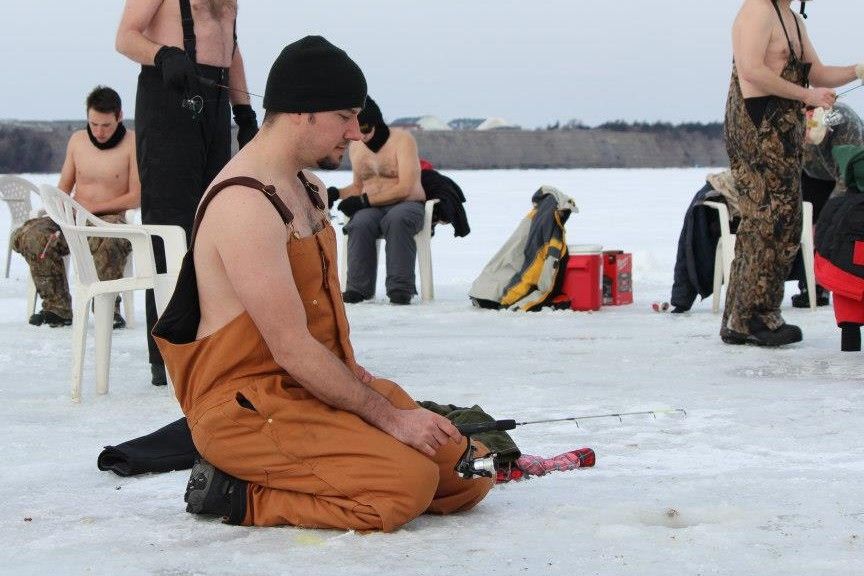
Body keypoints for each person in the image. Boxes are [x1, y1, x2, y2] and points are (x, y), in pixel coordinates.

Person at [151, 36, 494, 530]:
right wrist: (390, 417)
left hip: (315, 384)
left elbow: (320, 328)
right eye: (345, 115)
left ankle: (352, 459)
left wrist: (370, 394)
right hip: (248, 407)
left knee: (470, 469)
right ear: (301, 112)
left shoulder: (307, 187)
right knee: (405, 486)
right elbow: (290, 348)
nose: (356, 132)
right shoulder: (244, 204)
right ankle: (237, 494)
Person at [115, 0, 258, 386]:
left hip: (214, 102)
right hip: (167, 92)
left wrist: (244, 115)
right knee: (169, 230)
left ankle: (212, 343)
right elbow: (125, 37)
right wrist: (162, 54)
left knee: (213, 225)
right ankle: (165, 353)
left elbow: (232, 49)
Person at [721, 0, 862, 346]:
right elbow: (752, 70)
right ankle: (749, 318)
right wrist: (806, 95)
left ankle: (753, 314)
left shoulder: (793, 19)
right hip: (756, 125)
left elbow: (819, 73)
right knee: (765, 218)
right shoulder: (758, 11)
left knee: (786, 221)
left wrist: (858, 70)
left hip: (784, 128)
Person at [11, 86, 138, 329]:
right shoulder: (77, 141)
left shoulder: (133, 143)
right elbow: (63, 189)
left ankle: (107, 308)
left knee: (111, 241)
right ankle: (56, 308)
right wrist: (60, 210)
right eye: (94, 124)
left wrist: (95, 208)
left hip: (108, 221)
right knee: (32, 235)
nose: (99, 131)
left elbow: (135, 197)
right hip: (73, 218)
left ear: (119, 116)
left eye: (106, 125)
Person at [329, 96, 426, 305]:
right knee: (360, 223)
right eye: (358, 129)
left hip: (408, 204)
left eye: (365, 129)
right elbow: (357, 187)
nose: (362, 136)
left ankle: (400, 289)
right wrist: (336, 193)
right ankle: (358, 288)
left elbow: (405, 187)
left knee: (397, 220)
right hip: (374, 206)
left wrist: (364, 202)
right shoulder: (357, 147)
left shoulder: (402, 139)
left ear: (377, 123)